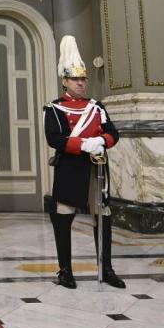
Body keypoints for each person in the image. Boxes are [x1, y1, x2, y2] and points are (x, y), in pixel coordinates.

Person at [43, 35, 125, 290]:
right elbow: (54, 138)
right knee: (63, 218)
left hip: (96, 168)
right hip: (70, 169)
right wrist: (82, 145)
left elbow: (113, 133)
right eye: (75, 79)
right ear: (65, 81)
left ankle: (106, 269)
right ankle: (65, 271)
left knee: (103, 217)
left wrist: (102, 141)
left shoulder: (96, 107)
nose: (80, 83)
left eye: (83, 79)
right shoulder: (54, 108)